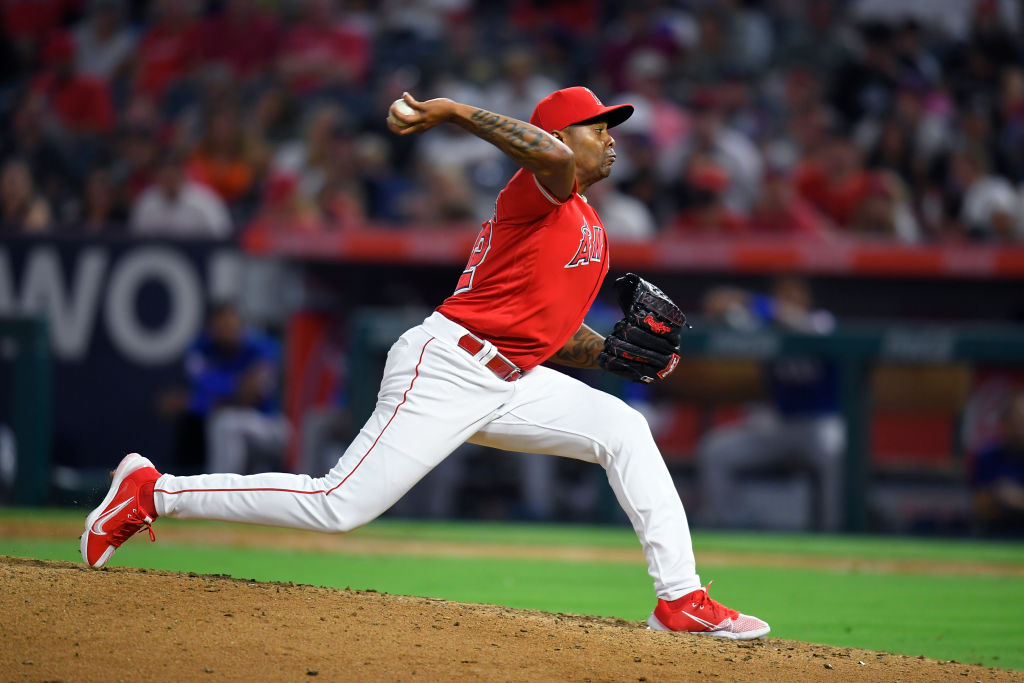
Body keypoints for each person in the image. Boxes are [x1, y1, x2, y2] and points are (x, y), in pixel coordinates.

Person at [81, 87, 770, 640]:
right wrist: (449, 110)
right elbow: (550, 161)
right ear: (561, 139)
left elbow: (547, 334)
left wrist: (616, 356)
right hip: (446, 368)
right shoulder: (538, 189)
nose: (611, 136)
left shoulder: (588, 222)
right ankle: (152, 490)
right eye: (597, 126)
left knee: (625, 429)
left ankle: (682, 599)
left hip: (510, 377)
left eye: (610, 126)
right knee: (337, 504)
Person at [697, 276, 846, 531]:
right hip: (780, 424)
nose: (787, 302)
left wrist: (754, 301)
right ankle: (726, 525)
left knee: (835, 451)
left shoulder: (822, 321)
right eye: (782, 296)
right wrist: (729, 307)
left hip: (821, 424)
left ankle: (836, 528)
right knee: (716, 450)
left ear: (807, 299)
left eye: (793, 296)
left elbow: (803, 324)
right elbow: (721, 309)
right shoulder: (766, 326)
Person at [173, 302, 290, 474]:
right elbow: (204, 388)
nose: (226, 330)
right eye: (220, 326)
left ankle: (217, 494)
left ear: (241, 325)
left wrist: (197, 400)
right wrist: (235, 386)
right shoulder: (202, 349)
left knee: (224, 423)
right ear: (211, 329)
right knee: (219, 422)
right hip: (236, 430)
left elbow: (250, 395)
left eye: (230, 325)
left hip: (270, 427)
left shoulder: (261, 347)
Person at [971, 389, 1024, 535]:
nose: (1020, 428)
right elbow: (981, 508)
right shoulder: (988, 455)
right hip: (997, 532)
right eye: (1015, 420)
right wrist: (999, 497)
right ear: (1004, 422)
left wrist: (1017, 499)